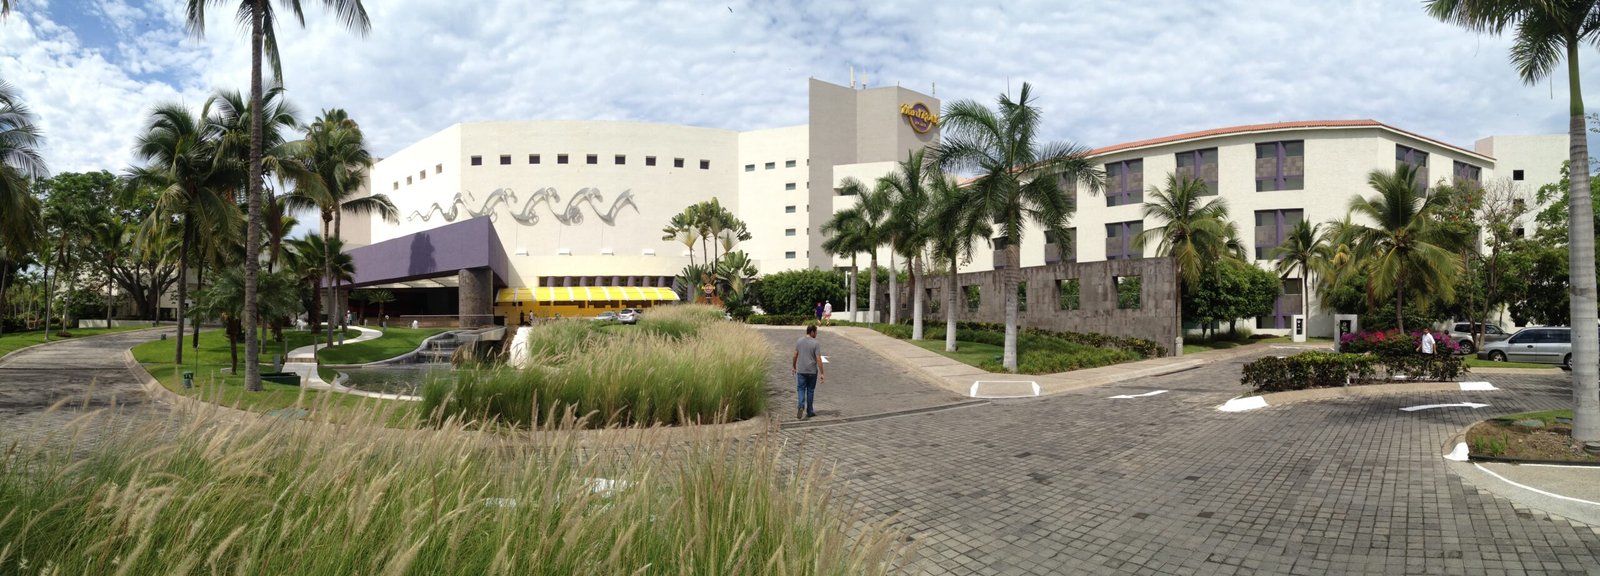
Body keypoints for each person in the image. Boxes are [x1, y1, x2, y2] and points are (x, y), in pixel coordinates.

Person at [791, 324, 824, 420]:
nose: (816, 334)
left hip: (801, 370)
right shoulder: (816, 343)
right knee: (810, 390)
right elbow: (818, 359)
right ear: (812, 332)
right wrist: (822, 373)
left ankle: (801, 406)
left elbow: (795, 355)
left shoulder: (799, 341)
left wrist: (794, 366)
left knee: (801, 389)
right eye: (816, 332)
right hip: (812, 371)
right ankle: (810, 411)